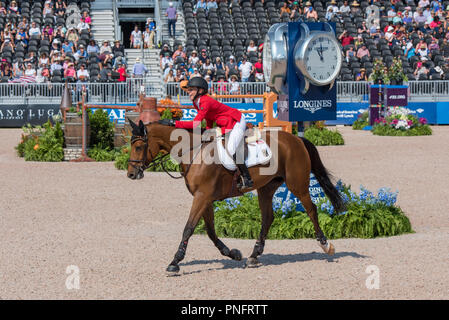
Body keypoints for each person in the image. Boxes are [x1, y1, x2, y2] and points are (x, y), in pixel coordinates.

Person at [160, 77, 254, 189]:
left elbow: (195, 124)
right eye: (188, 90)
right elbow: (209, 117)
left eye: (191, 90)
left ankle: (247, 178)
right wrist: (208, 130)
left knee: (231, 148)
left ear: (200, 91)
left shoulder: (205, 101)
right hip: (224, 123)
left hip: (236, 121)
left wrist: (173, 123)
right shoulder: (196, 102)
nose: (188, 92)